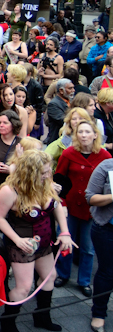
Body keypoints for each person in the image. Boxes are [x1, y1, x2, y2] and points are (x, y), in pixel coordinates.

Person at [0, 150, 74, 332]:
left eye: (48, 171)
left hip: (45, 243)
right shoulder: (9, 190)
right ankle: (7, 323)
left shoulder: (45, 183)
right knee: (23, 287)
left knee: (50, 277)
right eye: (43, 172)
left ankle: (42, 316)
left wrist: (65, 232)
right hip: (22, 245)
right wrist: (17, 240)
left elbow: (57, 204)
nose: (47, 175)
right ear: (29, 171)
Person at [55, 120, 111, 295]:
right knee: (65, 241)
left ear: (95, 135)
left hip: (93, 209)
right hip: (70, 206)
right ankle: (62, 274)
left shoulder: (105, 157)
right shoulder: (69, 153)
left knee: (88, 248)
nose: (84, 135)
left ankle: (84, 281)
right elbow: (58, 181)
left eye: (88, 132)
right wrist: (61, 203)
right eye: (80, 132)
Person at [86, 153, 113, 332]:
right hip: (106, 229)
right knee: (107, 272)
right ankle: (98, 314)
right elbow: (91, 197)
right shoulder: (106, 166)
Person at [45, 78, 76, 145]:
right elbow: (63, 120)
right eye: (70, 88)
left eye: (73, 88)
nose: (73, 90)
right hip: (57, 141)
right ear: (61, 90)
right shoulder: (53, 104)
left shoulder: (70, 101)